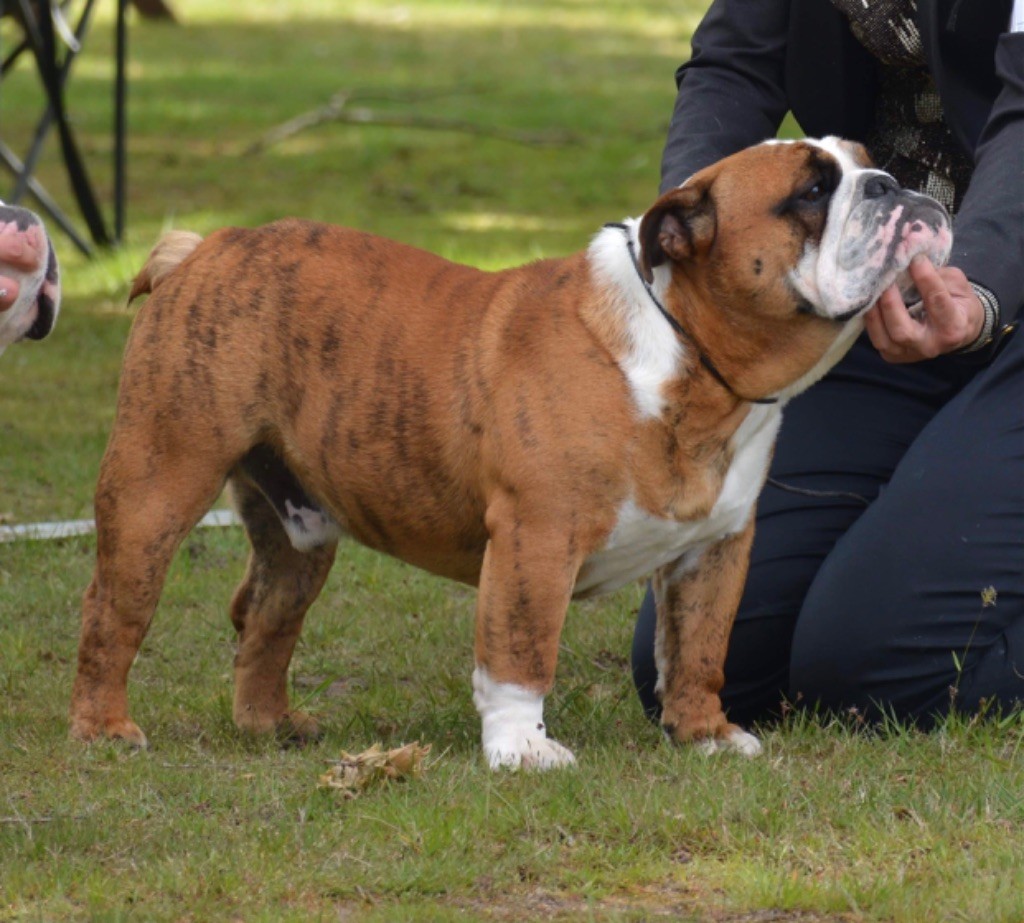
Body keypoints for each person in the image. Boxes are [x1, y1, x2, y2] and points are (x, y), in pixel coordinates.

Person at [631, 0, 1024, 729]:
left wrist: (980, 284)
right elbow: (734, 64)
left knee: (878, 669)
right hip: (891, 295)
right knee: (708, 659)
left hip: (993, 280)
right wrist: (688, 230)